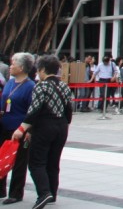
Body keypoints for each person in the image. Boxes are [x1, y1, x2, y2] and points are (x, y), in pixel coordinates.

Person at [12, 54, 74, 209]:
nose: (38, 72)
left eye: (39, 69)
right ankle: (52, 193)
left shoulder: (41, 86)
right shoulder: (64, 86)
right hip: (62, 126)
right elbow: (69, 112)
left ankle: (43, 193)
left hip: (45, 126)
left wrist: (22, 129)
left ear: (43, 69)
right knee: (54, 162)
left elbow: (34, 110)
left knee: (36, 162)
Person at [1, 53, 36, 205]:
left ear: (22, 67)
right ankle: (1, 189)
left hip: (20, 128)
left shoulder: (30, 86)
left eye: (13, 63)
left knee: (20, 161)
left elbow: (33, 111)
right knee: (2, 157)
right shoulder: (9, 82)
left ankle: (16, 193)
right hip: (4, 125)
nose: (11, 66)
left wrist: (28, 131)